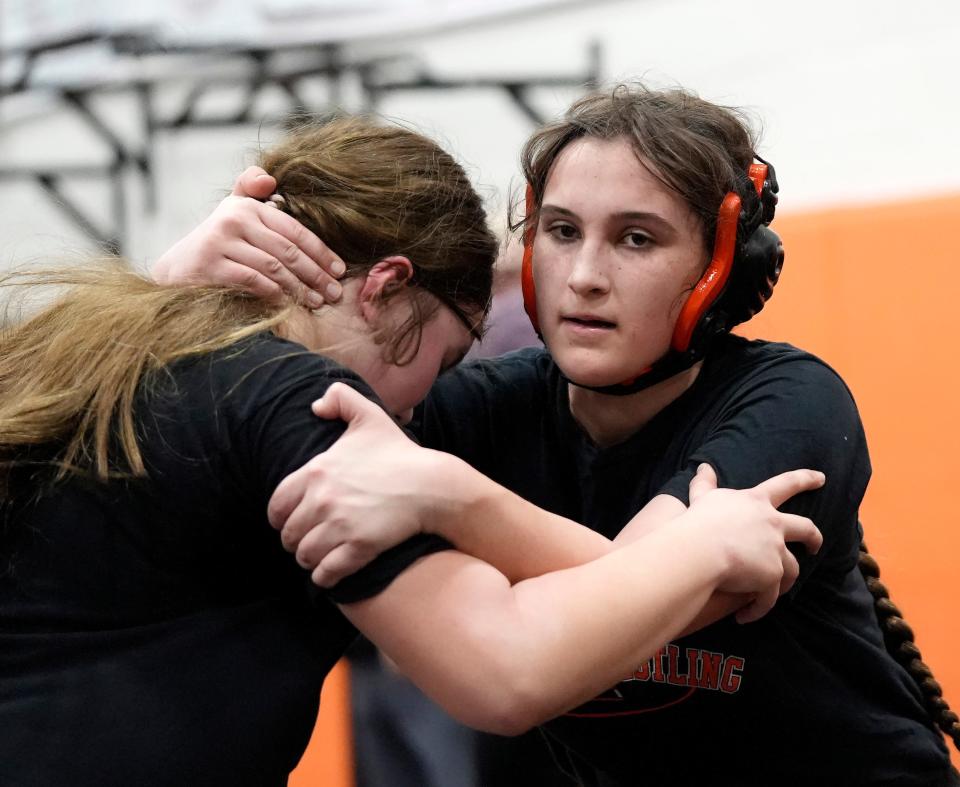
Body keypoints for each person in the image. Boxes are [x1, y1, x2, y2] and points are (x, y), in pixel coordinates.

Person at [0, 114, 823, 787]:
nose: (424, 403)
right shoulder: (299, 398)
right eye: (446, 356)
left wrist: (162, 293)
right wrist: (705, 544)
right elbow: (508, 670)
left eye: (636, 240)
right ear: (389, 287)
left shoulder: (69, 350)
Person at [178, 85, 960, 785]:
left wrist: (452, 494)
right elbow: (246, 438)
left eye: (636, 239)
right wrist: (180, 292)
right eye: (560, 230)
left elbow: (646, 582)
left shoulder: (790, 403)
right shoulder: (483, 408)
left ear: (725, 268)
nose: (584, 274)